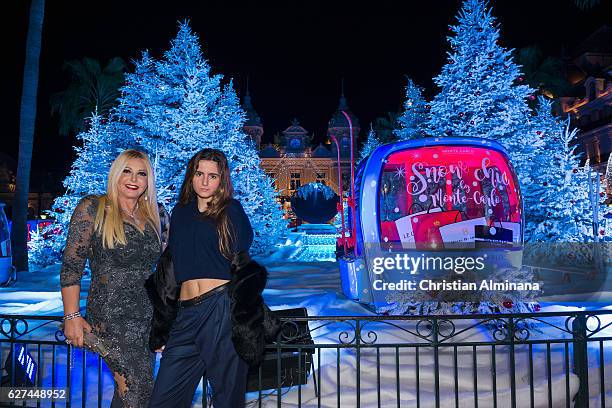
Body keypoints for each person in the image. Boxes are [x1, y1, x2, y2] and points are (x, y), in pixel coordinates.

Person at [149, 148, 254, 408]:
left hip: (220, 308)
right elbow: (171, 267)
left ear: (222, 180)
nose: (205, 181)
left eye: (213, 176)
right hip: (186, 314)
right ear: (191, 176)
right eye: (199, 174)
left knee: (227, 398)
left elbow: (244, 247)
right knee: (163, 399)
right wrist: (163, 322)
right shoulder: (181, 212)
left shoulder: (231, 210)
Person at [60, 149, 162, 407]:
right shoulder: (93, 207)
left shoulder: (154, 215)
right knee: (136, 390)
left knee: (134, 392)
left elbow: (161, 274)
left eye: (141, 173)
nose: (133, 178)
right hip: (110, 319)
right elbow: (72, 266)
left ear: (148, 180)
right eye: (127, 170)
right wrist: (71, 316)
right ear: (116, 174)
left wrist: (164, 322)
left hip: (146, 319)